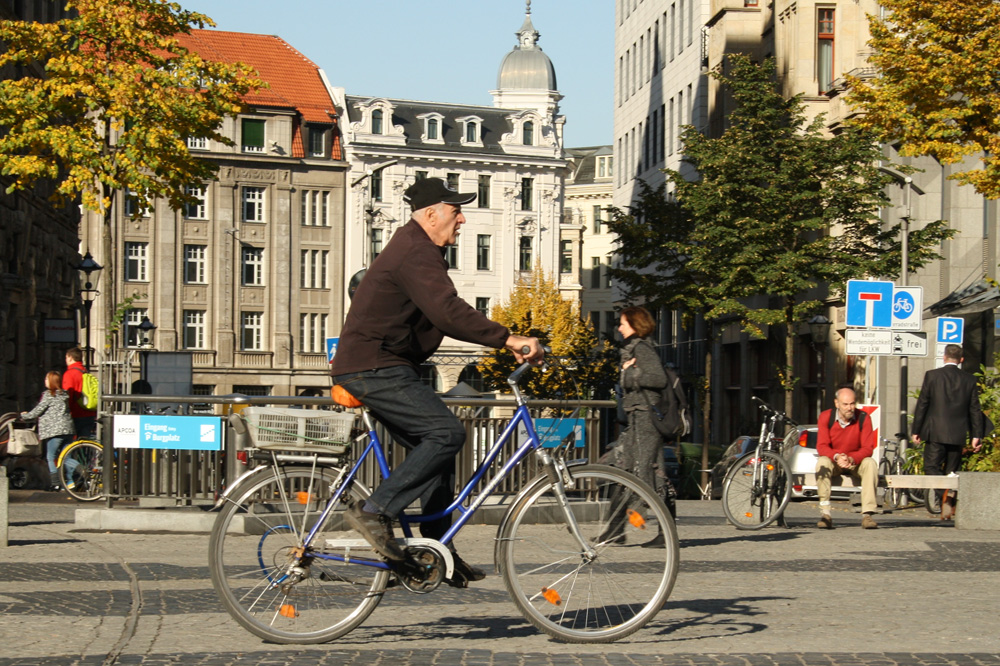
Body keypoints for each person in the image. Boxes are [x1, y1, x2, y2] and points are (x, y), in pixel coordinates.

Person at [330, 177, 544, 586]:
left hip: (382, 365)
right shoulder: (415, 252)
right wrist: (509, 338)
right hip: (374, 366)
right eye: (455, 210)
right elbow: (447, 311)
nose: (462, 219)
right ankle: (374, 511)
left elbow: (441, 311)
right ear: (431, 215)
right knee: (446, 434)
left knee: (438, 452)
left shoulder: (415, 248)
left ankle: (436, 548)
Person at [607, 306, 677, 537]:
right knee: (648, 471)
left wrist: (629, 375)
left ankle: (625, 525)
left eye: (623, 323)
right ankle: (621, 531)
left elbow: (657, 379)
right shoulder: (634, 348)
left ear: (635, 325)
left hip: (646, 417)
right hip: (637, 416)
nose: (619, 328)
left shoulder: (642, 348)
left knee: (638, 470)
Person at [911, 344, 984, 520]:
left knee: (931, 467)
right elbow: (975, 409)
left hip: (934, 431)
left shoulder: (932, 376)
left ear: (944, 357)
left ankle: (945, 494)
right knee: (952, 471)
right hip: (957, 434)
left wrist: (916, 430)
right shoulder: (969, 380)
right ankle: (949, 495)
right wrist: (976, 435)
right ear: (961, 360)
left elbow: (923, 404)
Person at [815, 386, 878, 529]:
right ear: (837, 403)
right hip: (835, 461)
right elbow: (822, 446)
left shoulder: (863, 418)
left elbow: (868, 448)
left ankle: (867, 515)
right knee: (822, 462)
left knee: (870, 463)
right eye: (845, 404)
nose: (850, 408)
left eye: (852, 403)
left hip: (855, 462)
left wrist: (851, 459)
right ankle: (825, 514)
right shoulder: (826, 417)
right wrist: (837, 457)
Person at [20, 371, 76, 491]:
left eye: (46, 379)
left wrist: (25, 416)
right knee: (66, 457)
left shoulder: (48, 395)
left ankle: (55, 483)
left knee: (51, 456)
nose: (44, 381)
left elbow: (38, 410)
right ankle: (72, 481)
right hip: (68, 429)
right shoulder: (64, 394)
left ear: (51, 381)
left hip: (55, 431)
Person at [63, 347, 96, 439]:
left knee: (70, 444)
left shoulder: (70, 373)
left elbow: (67, 395)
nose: (65, 360)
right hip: (89, 412)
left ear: (70, 357)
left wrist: (65, 411)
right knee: (84, 442)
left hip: (76, 413)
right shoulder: (85, 372)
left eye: (66, 357)